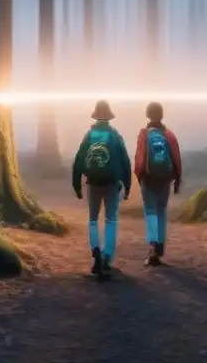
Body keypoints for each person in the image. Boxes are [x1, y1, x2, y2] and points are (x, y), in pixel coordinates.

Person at [73, 99, 131, 278]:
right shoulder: (115, 135)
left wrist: (77, 184)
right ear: (109, 117)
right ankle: (107, 257)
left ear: (95, 116)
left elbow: (79, 160)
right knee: (111, 220)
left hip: (93, 183)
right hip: (112, 183)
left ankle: (95, 252)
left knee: (92, 219)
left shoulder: (89, 135)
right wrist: (127, 185)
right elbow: (125, 161)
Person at [134, 101, 182, 266]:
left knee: (150, 212)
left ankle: (153, 249)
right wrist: (177, 179)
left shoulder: (144, 134)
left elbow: (139, 158)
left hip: (148, 179)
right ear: (161, 115)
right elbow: (176, 157)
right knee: (161, 212)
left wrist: (139, 176)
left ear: (148, 115)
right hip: (165, 179)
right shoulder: (169, 134)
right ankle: (160, 248)